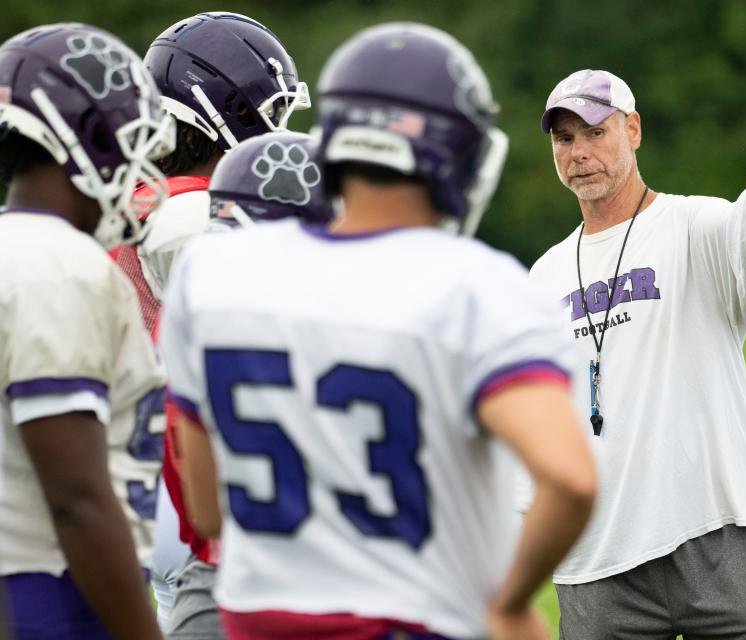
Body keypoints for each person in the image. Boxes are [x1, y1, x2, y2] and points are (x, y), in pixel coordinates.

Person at [160, 22, 597, 640]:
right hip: (413, 620)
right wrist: (508, 602)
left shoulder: (214, 272)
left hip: (255, 619)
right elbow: (572, 479)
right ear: (457, 153)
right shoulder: (480, 288)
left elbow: (206, 507)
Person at [530, 68, 746, 639]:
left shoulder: (696, 225)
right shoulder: (545, 274)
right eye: (564, 139)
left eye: (594, 132)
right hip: (599, 560)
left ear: (633, 130)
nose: (579, 152)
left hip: (720, 534)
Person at [111, 12, 311, 632]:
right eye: (272, 113)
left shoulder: (126, 197)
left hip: (132, 468)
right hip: (200, 480)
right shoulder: (203, 214)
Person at [0, 22, 173, 639]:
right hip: (53, 592)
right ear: (87, 137)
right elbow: (75, 496)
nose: (138, 169)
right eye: (131, 143)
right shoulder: (56, 268)